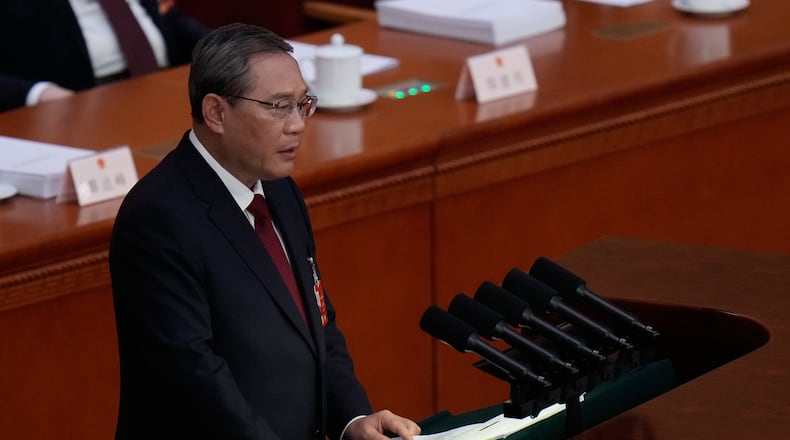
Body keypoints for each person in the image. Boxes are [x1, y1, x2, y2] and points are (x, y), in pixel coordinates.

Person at [108, 22, 422, 440]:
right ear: (216, 112)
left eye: (302, 104)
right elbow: (194, 376)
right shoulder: (158, 219)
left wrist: (352, 419)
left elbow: (318, 323)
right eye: (278, 107)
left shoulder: (279, 190)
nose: (297, 125)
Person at [0, 0, 208, 112]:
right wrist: (37, 93)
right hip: (83, 107)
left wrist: (225, 47)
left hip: (165, 90)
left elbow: (174, 23)